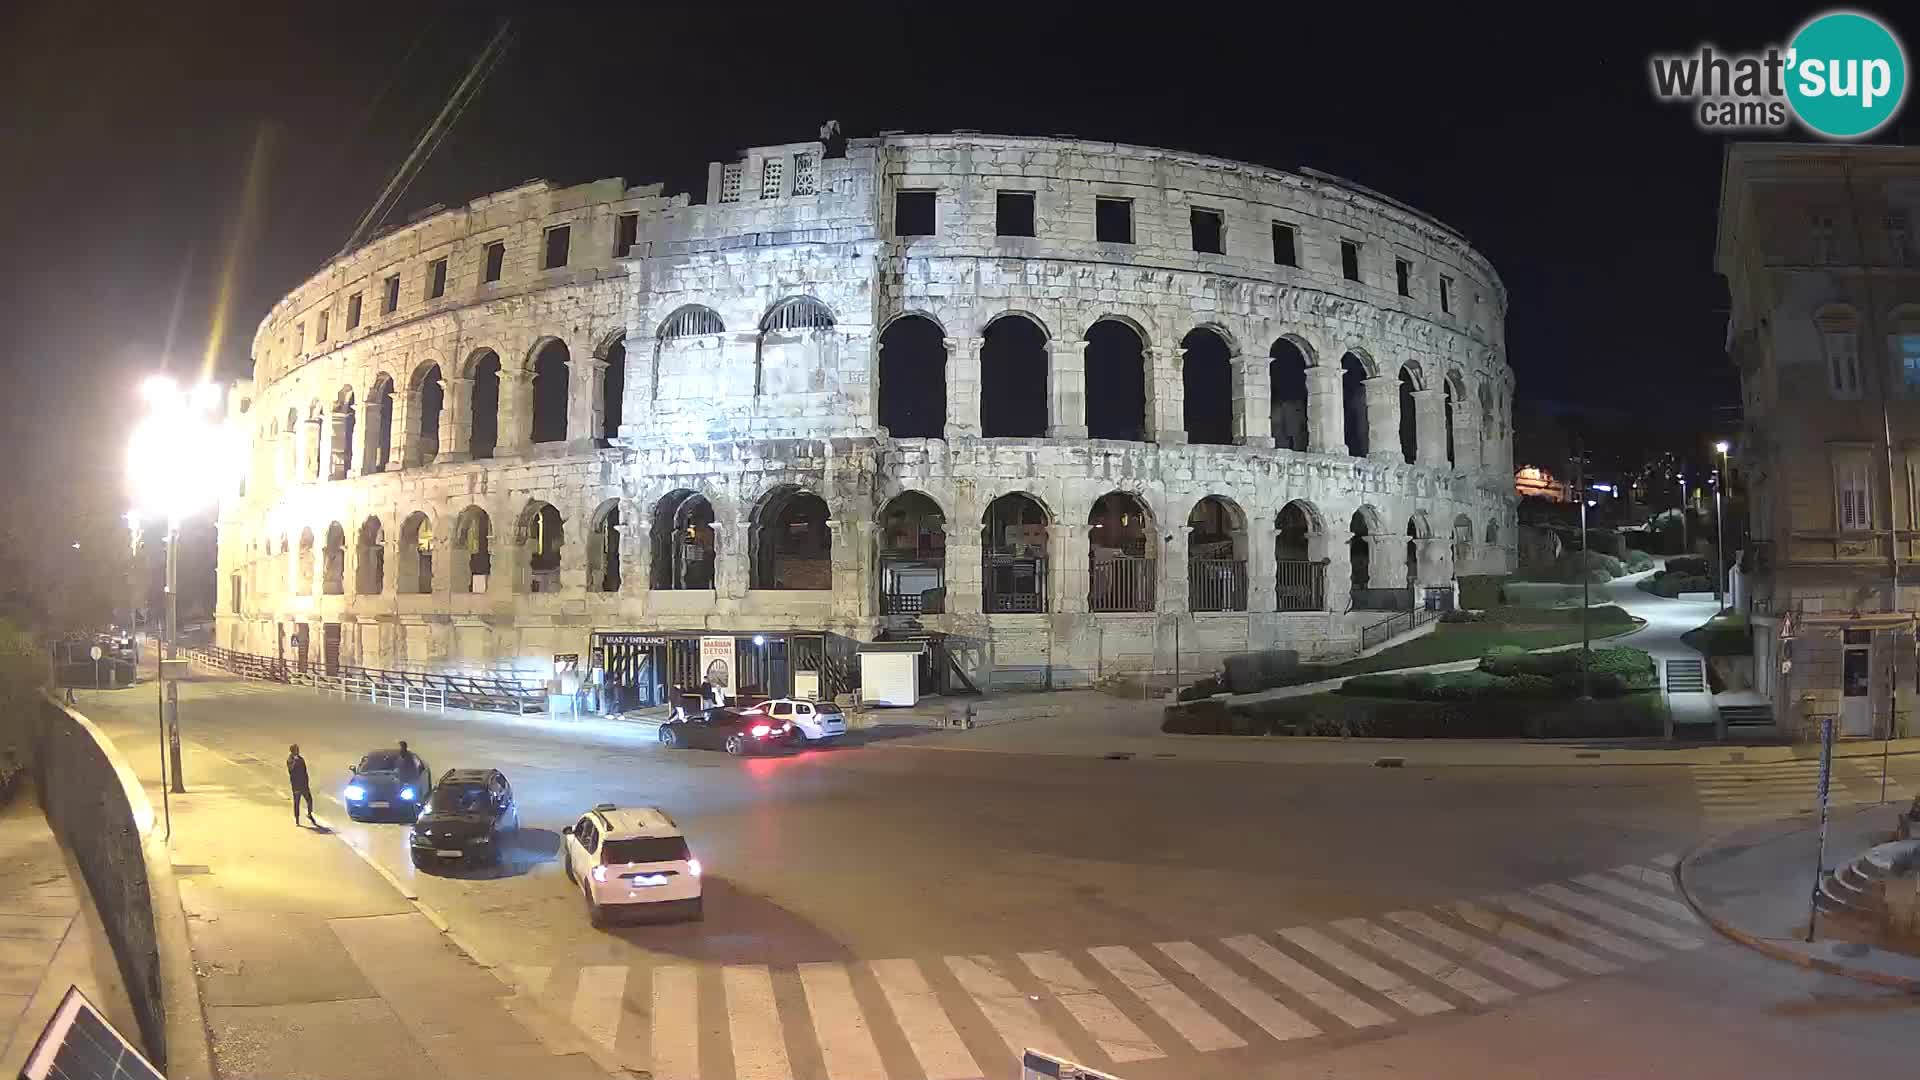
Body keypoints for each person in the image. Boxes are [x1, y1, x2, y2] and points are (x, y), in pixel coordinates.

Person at [287, 744, 316, 826]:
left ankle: (309, 814)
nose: (298, 751)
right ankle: (297, 820)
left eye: (298, 749)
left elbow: (305, 771)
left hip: (303, 785)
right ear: (293, 751)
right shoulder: (290, 760)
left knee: (309, 800)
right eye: (296, 750)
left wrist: (307, 783)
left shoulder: (301, 759)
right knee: (297, 803)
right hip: (296, 785)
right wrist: (295, 762)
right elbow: (291, 770)